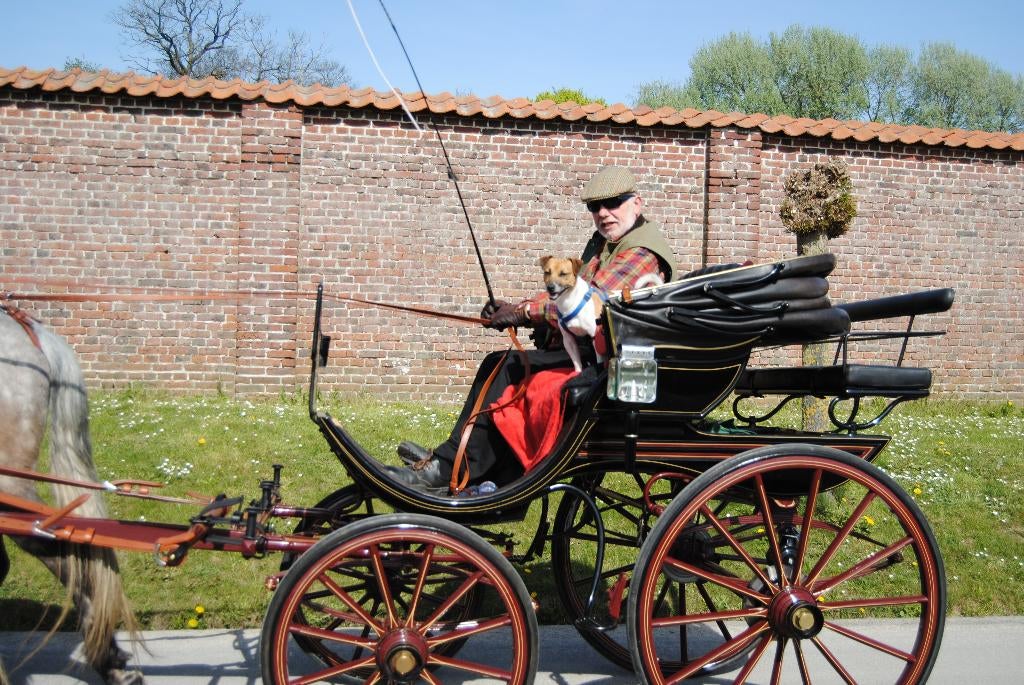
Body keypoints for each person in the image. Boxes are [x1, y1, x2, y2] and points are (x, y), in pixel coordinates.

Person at [386, 166, 676, 491]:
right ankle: (467, 469)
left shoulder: (640, 252)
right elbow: (569, 291)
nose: (603, 213)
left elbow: (591, 305)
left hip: (611, 361)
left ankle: (450, 468)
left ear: (636, 203)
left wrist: (523, 313)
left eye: (613, 203)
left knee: (505, 365)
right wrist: (514, 309)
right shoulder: (607, 244)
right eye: (595, 207)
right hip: (590, 349)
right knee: (504, 365)